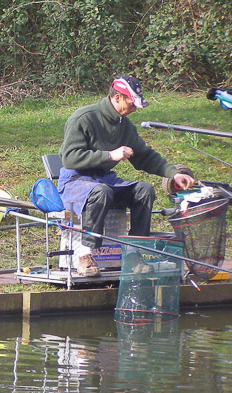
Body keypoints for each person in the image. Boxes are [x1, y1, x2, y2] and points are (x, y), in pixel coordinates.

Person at [58, 76, 194, 277]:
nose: (135, 109)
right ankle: (85, 256)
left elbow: (145, 156)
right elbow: (69, 158)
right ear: (118, 98)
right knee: (101, 192)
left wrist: (174, 174)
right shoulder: (84, 118)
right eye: (132, 104)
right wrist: (109, 155)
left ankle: (133, 254)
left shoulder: (125, 126)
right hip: (74, 182)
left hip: (104, 181)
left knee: (143, 190)